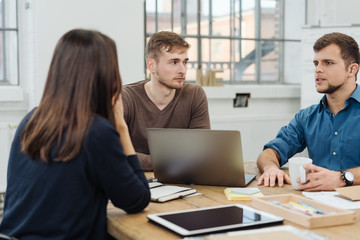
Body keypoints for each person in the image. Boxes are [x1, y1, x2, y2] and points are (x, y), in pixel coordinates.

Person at [0, 29, 150, 239]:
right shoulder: (97, 131)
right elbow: (137, 200)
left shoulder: (32, 119)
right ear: (106, 76)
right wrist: (122, 128)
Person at [257, 32, 360, 191]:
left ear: (351, 70)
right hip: (317, 204)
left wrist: (342, 178)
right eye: (316, 63)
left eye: (328, 63)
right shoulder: (307, 117)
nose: (318, 70)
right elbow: (270, 152)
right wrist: (271, 168)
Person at [122, 31, 210, 171]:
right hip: (136, 181)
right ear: (151, 65)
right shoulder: (125, 97)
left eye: (185, 62)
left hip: (181, 180)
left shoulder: (195, 95)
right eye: (174, 62)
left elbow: (201, 152)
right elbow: (114, 153)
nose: (183, 70)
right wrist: (170, 162)